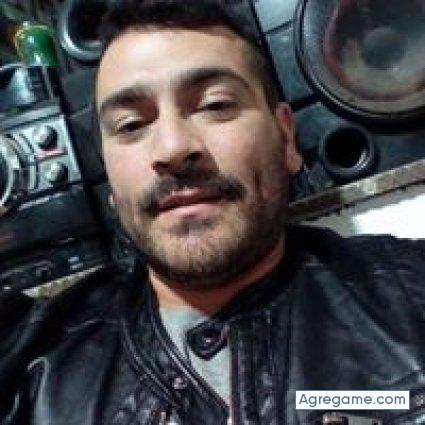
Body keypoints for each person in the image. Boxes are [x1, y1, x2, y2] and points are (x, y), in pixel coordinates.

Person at [1, 1, 424, 424]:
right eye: (131, 125)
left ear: (286, 138)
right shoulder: (30, 365)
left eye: (214, 105)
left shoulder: (413, 295)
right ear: (110, 182)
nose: (173, 148)